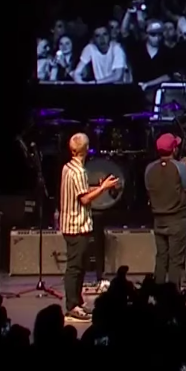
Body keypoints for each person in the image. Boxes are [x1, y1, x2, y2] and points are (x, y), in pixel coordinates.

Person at [58, 133, 118, 322]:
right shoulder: (79, 172)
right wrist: (103, 188)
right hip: (76, 226)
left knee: (80, 266)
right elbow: (84, 199)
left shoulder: (68, 167)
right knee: (75, 267)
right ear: (85, 149)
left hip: (70, 224)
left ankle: (77, 302)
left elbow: (80, 192)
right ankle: (72, 306)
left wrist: (98, 187)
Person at [143, 133, 186, 286]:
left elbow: (149, 191)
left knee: (161, 257)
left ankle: (158, 292)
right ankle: (173, 294)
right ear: (174, 150)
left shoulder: (149, 169)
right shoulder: (180, 167)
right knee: (175, 260)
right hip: (177, 219)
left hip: (158, 220)